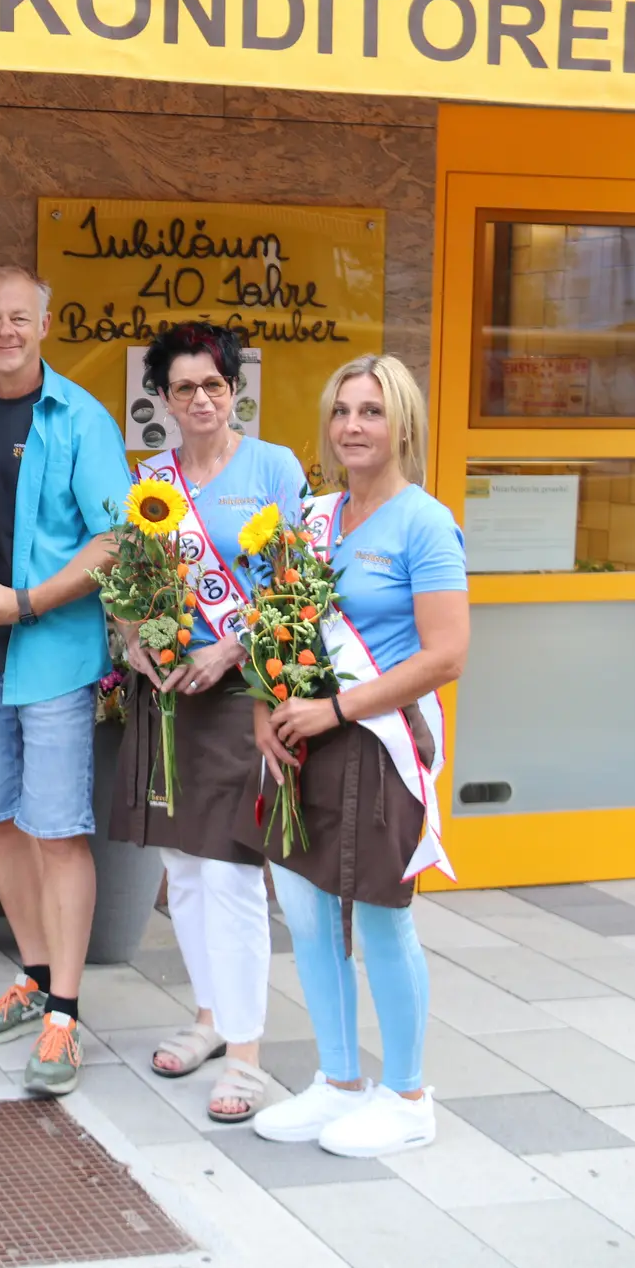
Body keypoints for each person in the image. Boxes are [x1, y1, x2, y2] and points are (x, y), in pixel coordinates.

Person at [248, 354, 468, 1157]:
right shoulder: (311, 518)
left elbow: (446, 654)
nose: (353, 426)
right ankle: (339, 1079)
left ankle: (406, 1096)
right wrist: (266, 709)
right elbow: (275, 626)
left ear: (401, 422)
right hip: (303, 741)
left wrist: (336, 707)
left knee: (381, 913)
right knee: (306, 911)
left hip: (379, 744)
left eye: (371, 411)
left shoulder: (425, 523)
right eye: (342, 411)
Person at [0, 264, 132, 1097]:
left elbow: (116, 538)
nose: (6, 331)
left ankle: (65, 1015)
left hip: (51, 655)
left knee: (56, 830)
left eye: (21, 317)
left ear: (45, 325)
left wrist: (29, 601)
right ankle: (36, 976)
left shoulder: (82, 418)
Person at [111, 323, 308, 1122]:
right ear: (162, 397)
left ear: (235, 391)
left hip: (241, 694)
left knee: (229, 870)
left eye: (214, 386)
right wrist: (135, 641)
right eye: (184, 387)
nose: (201, 399)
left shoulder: (274, 468)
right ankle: (210, 1016)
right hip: (169, 696)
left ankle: (247, 1053)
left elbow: (298, 583)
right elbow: (129, 586)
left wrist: (231, 649)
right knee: (183, 869)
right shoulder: (149, 481)